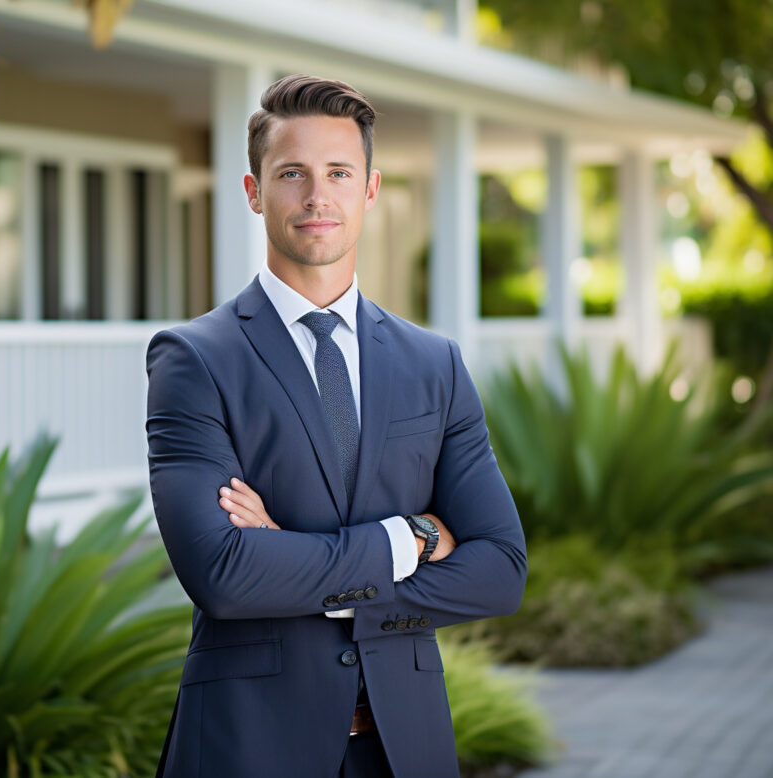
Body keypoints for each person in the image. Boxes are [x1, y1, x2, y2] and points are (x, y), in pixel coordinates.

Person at [145, 74, 526, 778]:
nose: (317, 196)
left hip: (403, 749)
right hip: (248, 747)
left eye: (338, 173)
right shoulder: (194, 359)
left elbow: (500, 570)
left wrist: (293, 563)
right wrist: (407, 537)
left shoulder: (433, 363)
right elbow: (224, 574)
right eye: (292, 174)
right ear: (255, 192)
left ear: (370, 189)